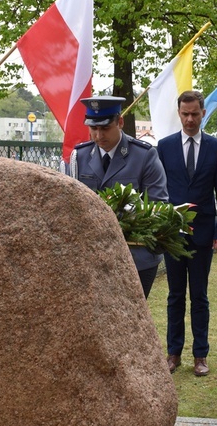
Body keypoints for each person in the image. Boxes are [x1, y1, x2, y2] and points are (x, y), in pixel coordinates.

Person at [156, 90, 217, 377]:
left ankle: (200, 355)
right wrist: (160, 226)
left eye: (194, 114)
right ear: (179, 114)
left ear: (202, 113)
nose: (189, 119)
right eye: (185, 114)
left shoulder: (215, 148)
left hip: (203, 233)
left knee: (199, 296)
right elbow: (157, 191)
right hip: (173, 235)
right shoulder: (164, 147)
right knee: (175, 296)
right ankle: (173, 353)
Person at [69, 96, 168, 298]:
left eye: (105, 128)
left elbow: (158, 206)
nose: (98, 135)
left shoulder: (144, 156)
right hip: (91, 257)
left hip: (136, 259)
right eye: (93, 128)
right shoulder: (79, 157)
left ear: (120, 122)